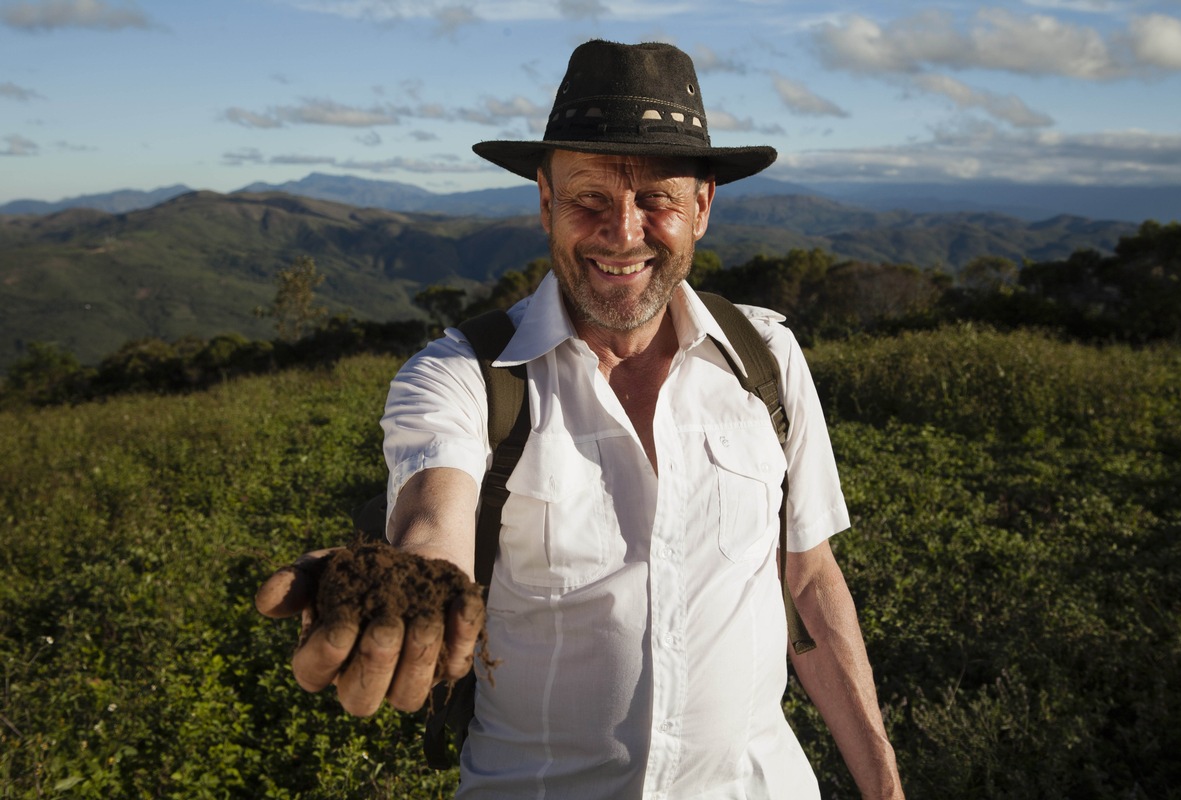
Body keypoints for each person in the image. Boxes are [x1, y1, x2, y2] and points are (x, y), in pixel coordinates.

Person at [256, 39, 903, 799]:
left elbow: (810, 577)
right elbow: (436, 513)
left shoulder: (767, 358)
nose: (622, 231)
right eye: (590, 198)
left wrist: (884, 787)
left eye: (657, 199)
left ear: (703, 207)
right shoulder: (464, 376)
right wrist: (413, 574)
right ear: (545, 204)